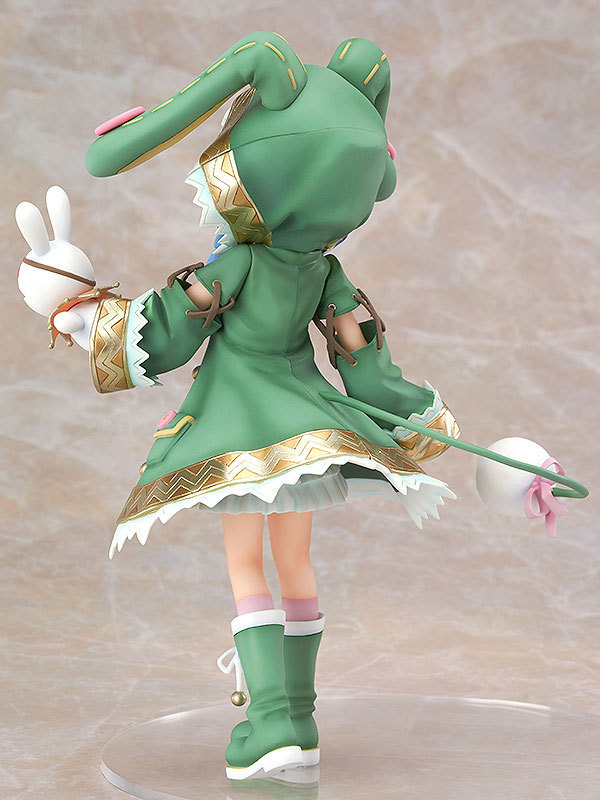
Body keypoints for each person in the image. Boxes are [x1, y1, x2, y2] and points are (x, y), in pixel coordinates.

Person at [15, 32, 460, 780]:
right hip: (308, 429)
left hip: (240, 428)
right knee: (297, 562)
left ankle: (269, 720)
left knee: (246, 563)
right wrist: (418, 415)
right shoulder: (326, 273)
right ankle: (300, 720)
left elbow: (169, 326)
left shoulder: (242, 263)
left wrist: (80, 311)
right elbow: (363, 360)